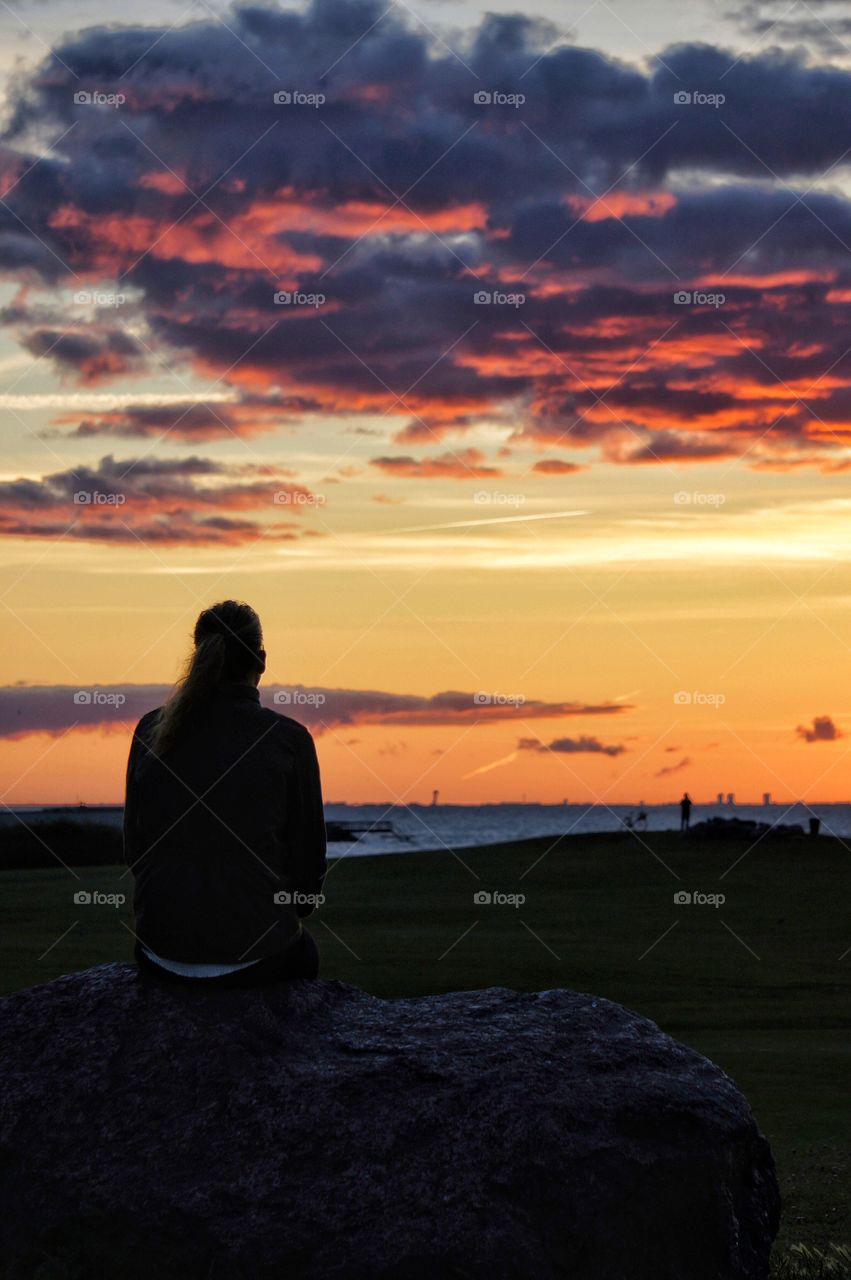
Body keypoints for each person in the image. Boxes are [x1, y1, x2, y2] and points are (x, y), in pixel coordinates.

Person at [123, 600, 326, 987]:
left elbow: (136, 851)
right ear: (261, 660)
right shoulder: (288, 740)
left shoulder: (151, 730)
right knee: (307, 956)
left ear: (199, 657)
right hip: (258, 958)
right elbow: (306, 884)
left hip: (159, 953)